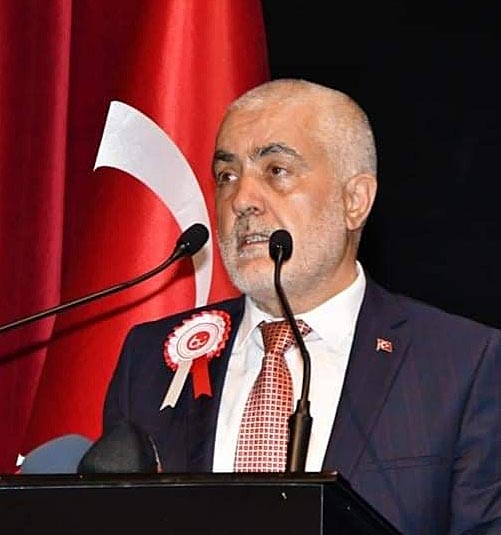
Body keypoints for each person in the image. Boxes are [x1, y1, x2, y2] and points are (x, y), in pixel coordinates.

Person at [103, 79, 501, 534]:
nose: (241, 200)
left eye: (276, 170)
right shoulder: (149, 359)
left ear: (354, 201)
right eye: (227, 176)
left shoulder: (464, 365)